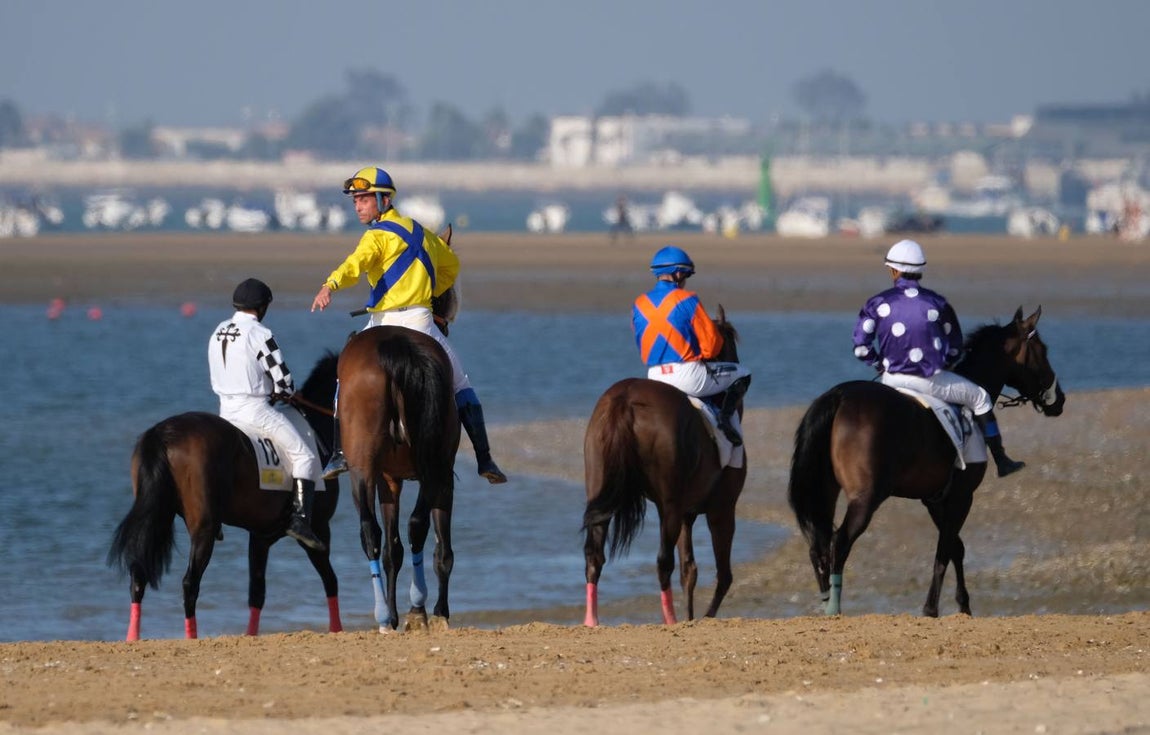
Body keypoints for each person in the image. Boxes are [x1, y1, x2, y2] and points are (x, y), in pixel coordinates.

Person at [310, 166, 507, 484]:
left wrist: (329, 285)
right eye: (355, 200)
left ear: (384, 200)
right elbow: (451, 267)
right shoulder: (424, 234)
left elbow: (354, 265)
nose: (357, 205)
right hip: (421, 322)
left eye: (363, 199)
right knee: (461, 385)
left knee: (345, 381)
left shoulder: (375, 237)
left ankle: (339, 454)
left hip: (381, 322)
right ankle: (485, 459)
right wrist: (427, 289)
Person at [852, 239, 1025, 477]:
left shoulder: (877, 303)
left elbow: (860, 347)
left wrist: (880, 365)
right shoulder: (938, 303)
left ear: (893, 270)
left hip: (890, 381)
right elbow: (955, 348)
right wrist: (944, 363)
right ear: (920, 270)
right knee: (981, 398)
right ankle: (1002, 460)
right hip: (930, 380)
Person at [208, 278, 327, 551]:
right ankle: (300, 521)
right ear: (261, 308)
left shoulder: (218, 330)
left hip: (225, 412)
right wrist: (283, 392)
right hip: (255, 412)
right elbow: (284, 382)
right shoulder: (260, 334)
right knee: (304, 456)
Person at [632, 246, 752, 445]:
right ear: (678, 274)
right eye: (686, 274)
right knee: (744, 373)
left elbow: (642, 341)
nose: (686, 279)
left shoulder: (639, 303)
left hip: (654, 376)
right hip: (687, 376)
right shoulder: (687, 299)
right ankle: (724, 421)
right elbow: (711, 346)